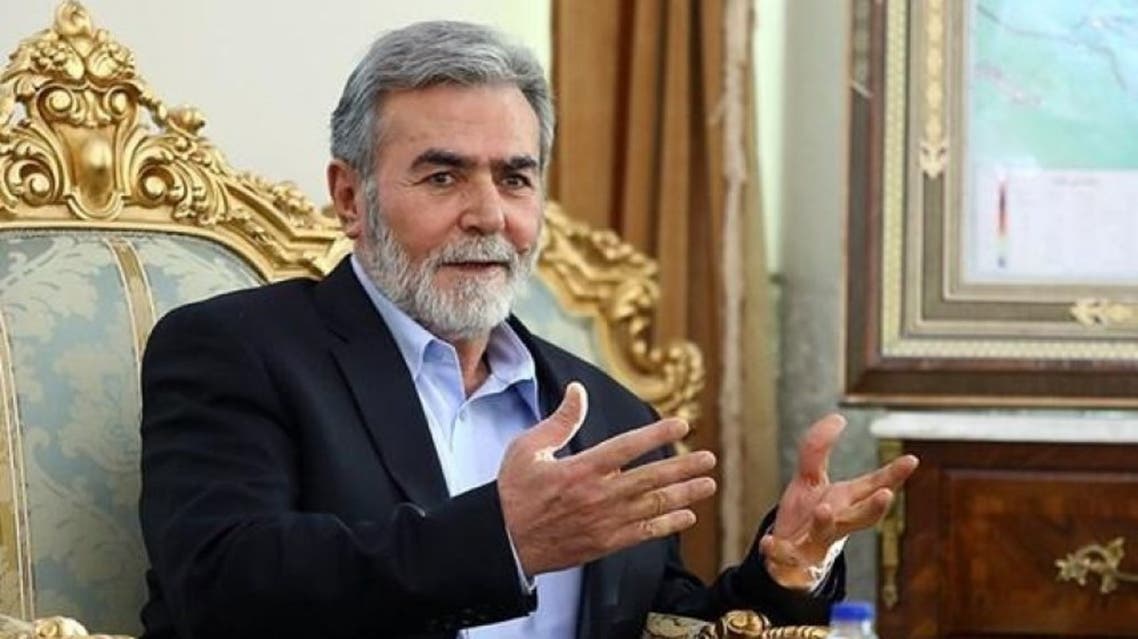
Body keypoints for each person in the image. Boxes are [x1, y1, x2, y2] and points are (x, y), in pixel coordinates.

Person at [137, 20, 918, 639]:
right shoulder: (238, 352)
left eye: (515, 178)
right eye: (443, 176)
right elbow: (221, 583)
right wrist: (502, 539)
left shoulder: (610, 415)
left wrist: (787, 571)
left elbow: (660, 623)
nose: (488, 214)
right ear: (350, 198)